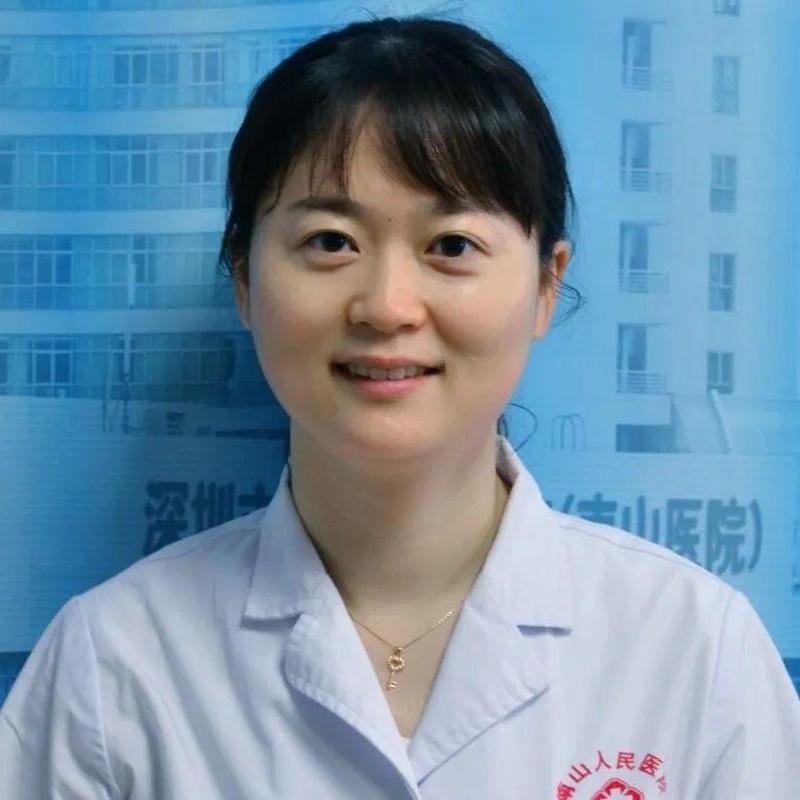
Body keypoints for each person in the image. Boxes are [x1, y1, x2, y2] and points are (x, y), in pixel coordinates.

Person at [2, 14, 799, 799]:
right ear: (244, 278)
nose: (386, 306)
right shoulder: (111, 669)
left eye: (451, 245)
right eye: (330, 241)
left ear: (545, 285)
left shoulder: (695, 652)